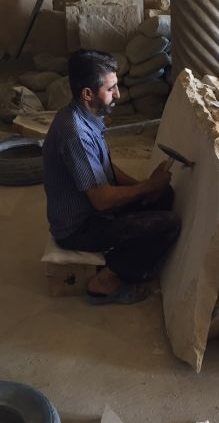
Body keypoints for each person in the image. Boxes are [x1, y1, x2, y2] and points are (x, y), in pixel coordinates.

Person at [42, 49, 180, 305]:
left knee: (162, 195)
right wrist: (147, 186)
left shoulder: (85, 116)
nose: (117, 94)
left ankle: (122, 261)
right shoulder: (75, 134)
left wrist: (145, 187)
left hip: (92, 211)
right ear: (87, 93)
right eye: (111, 88)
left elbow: (107, 169)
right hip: (79, 227)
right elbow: (102, 201)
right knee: (168, 223)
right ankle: (105, 282)